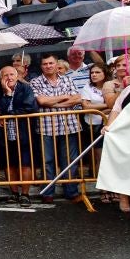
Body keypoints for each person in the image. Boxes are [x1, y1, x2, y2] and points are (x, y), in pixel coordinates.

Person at [29, 53, 83, 203]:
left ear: (56, 63)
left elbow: (77, 98)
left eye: (51, 63)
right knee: (47, 161)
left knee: (70, 160)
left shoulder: (67, 79)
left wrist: (53, 103)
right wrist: (64, 97)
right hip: (46, 126)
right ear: (41, 66)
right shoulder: (35, 82)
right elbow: (41, 101)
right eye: (45, 64)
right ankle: (48, 193)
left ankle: (71, 192)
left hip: (69, 125)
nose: (48, 66)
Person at [96, 55, 130, 213]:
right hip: (129, 136)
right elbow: (116, 109)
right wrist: (109, 126)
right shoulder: (128, 90)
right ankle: (124, 196)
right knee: (126, 165)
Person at [0, 66, 38, 207]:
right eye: (5, 75)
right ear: (1, 78)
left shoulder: (25, 88)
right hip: (5, 134)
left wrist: (8, 115)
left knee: (25, 163)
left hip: (23, 132)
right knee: (9, 164)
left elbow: (29, 108)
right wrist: (7, 94)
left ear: (17, 76)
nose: (9, 77)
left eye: (12, 74)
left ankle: (25, 194)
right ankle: (14, 193)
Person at [80, 64, 111, 203]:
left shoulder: (111, 85)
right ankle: (104, 190)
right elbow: (86, 106)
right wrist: (107, 106)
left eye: (97, 72)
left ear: (105, 73)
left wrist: (100, 109)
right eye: (92, 72)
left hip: (112, 124)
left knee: (112, 158)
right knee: (100, 157)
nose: (94, 75)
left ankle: (115, 189)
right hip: (94, 125)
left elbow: (117, 104)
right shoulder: (87, 87)